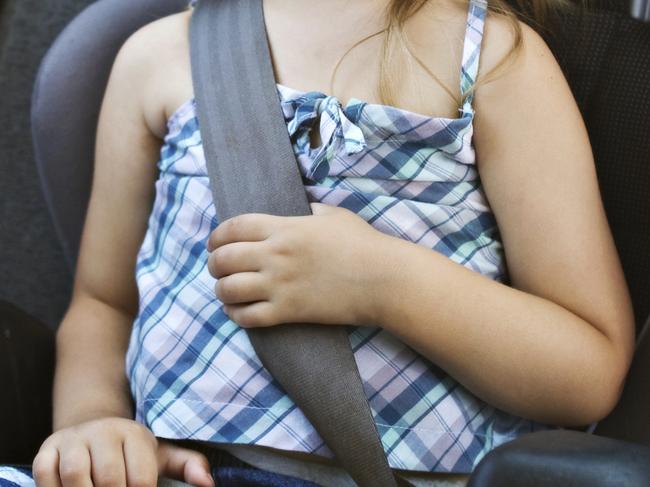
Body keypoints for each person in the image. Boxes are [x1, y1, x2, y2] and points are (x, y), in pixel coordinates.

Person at [22, 0, 636, 485]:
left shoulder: (496, 59)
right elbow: (104, 303)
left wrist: (383, 284)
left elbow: (588, 369)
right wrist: (92, 424)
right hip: (178, 467)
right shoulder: (157, 59)